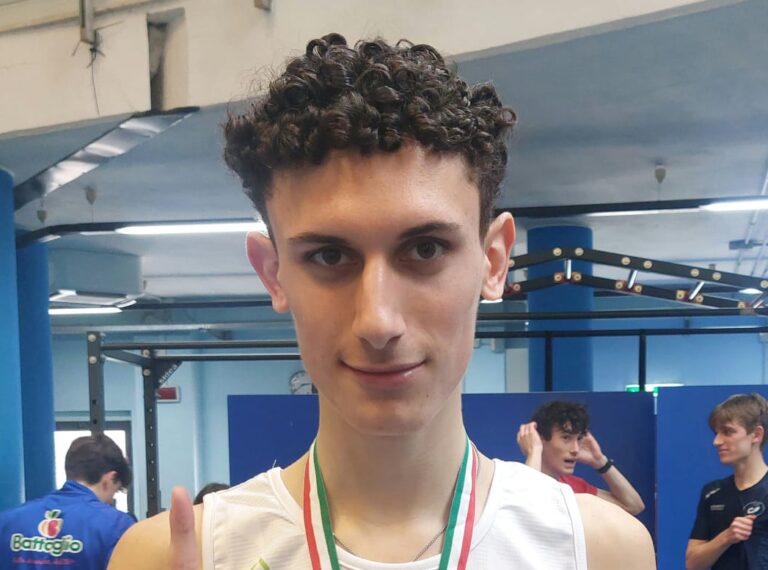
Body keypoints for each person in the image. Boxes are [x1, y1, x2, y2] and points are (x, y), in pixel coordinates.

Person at [109, 33, 654, 569]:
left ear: (493, 262)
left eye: (425, 249)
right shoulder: (173, 556)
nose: (377, 321)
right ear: (274, 275)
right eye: (329, 256)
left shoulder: (597, 551)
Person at [0, 433, 134, 569]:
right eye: (115, 491)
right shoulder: (118, 525)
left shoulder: (7, 522)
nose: (110, 501)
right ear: (110, 479)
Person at [516, 400, 645, 515]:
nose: (576, 449)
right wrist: (534, 450)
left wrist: (600, 461)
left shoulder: (573, 487)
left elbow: (633, 506)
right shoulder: (513, 481)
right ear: (540, 438)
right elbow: (525, 509)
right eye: (566, 438)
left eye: (578, 439)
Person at [686, 393, 768, 570]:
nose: (716, 441)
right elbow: (692, 562)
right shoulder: (713, 493)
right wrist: (726, 537)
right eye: (716, 433)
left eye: (728, 432)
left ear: (756, 435)